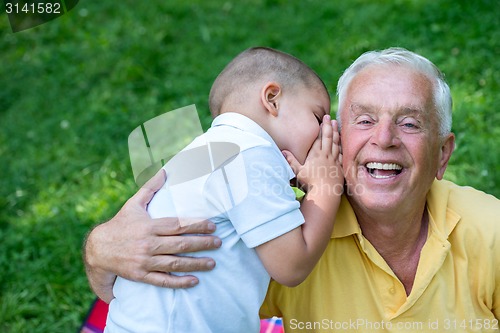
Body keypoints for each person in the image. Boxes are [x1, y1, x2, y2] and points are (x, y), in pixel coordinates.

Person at [84, 47, 500, 332]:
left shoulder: (490, 231)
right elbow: (158, 256)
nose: (384, 138)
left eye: (409, 123)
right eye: (363, 120)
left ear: (442, 154)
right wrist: (100, 247)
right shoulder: (285, 221)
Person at [101, 47, 343, 333]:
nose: (325, 133)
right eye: (318, 117)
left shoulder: (210, 151)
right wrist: (326, 187)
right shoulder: (251, 155)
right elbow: (292, 266)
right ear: (272, 99)